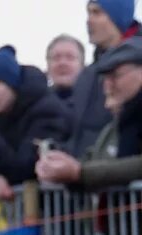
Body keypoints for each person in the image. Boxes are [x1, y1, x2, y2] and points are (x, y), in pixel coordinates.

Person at [0, 46, 72, 200]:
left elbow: (25, 168)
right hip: (24, 210)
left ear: (12, 84)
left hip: (59, 210)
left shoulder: (47, 110)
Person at [38, 37, 142, 188]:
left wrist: (80, 173)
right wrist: (61, 165)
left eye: (116, 75)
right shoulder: (115, 126)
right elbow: (95, 158)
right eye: (104, 78)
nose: (107, 86)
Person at [66, 0, 139, 156]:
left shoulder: (137, 68)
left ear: (118, 17)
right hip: (85, 174)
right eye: (88, 12)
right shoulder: (86, 75)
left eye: (97, 13)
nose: (88, 20)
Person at [46, 34, 87, 106]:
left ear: (82, 66)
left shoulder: (97, 102)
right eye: (56, 57)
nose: (62, 63)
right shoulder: (36, 104)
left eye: (70, 57)